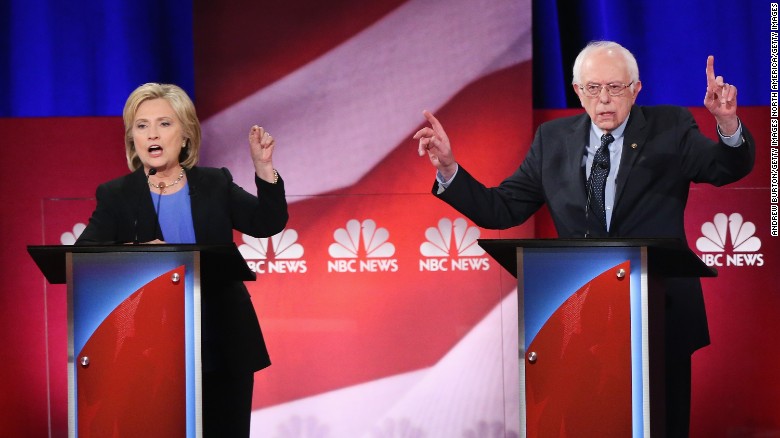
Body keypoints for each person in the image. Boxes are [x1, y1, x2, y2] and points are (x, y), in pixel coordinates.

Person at [414, 41, 754, 437]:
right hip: (577, 320)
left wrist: (728, 126)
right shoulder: (552, 140)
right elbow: (501, 210)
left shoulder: (670, 127)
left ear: (636, 89)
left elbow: (724, 168)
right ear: (577, 91)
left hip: (658, 315)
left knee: (662, 423)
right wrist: (450, 170)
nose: (604, 99)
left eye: (615, 87)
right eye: (593, 88)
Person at [76, 82, 288, 436]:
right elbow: (84, 257)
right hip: (150, 348)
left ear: (186, 134)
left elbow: (266, 223)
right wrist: (139, 252)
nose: (152, 134)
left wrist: (264, 169)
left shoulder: (214, 183)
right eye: (141, 126)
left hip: (221, 338)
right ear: (133, 138)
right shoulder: (117, 195)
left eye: (164, 123)